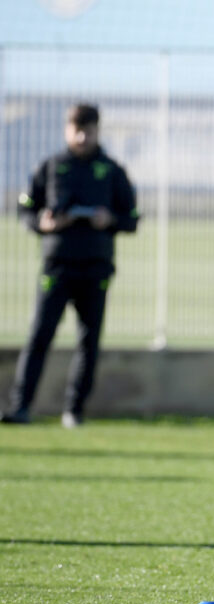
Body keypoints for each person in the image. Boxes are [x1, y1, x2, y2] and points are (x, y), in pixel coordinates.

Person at [1, 103, 138, 428]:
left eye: (87, 131)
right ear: (66, 130)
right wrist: (42, 223)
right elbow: (25, 209)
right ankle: (20, 407)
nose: (81, 137)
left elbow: (132, 219)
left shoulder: (112, 170)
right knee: (39, 336)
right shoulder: (50, 167)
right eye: (75, 130)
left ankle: (74, 411)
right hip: (56, 267)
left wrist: (110, 220)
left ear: (97, 131)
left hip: (95, 269)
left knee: (88, 342)